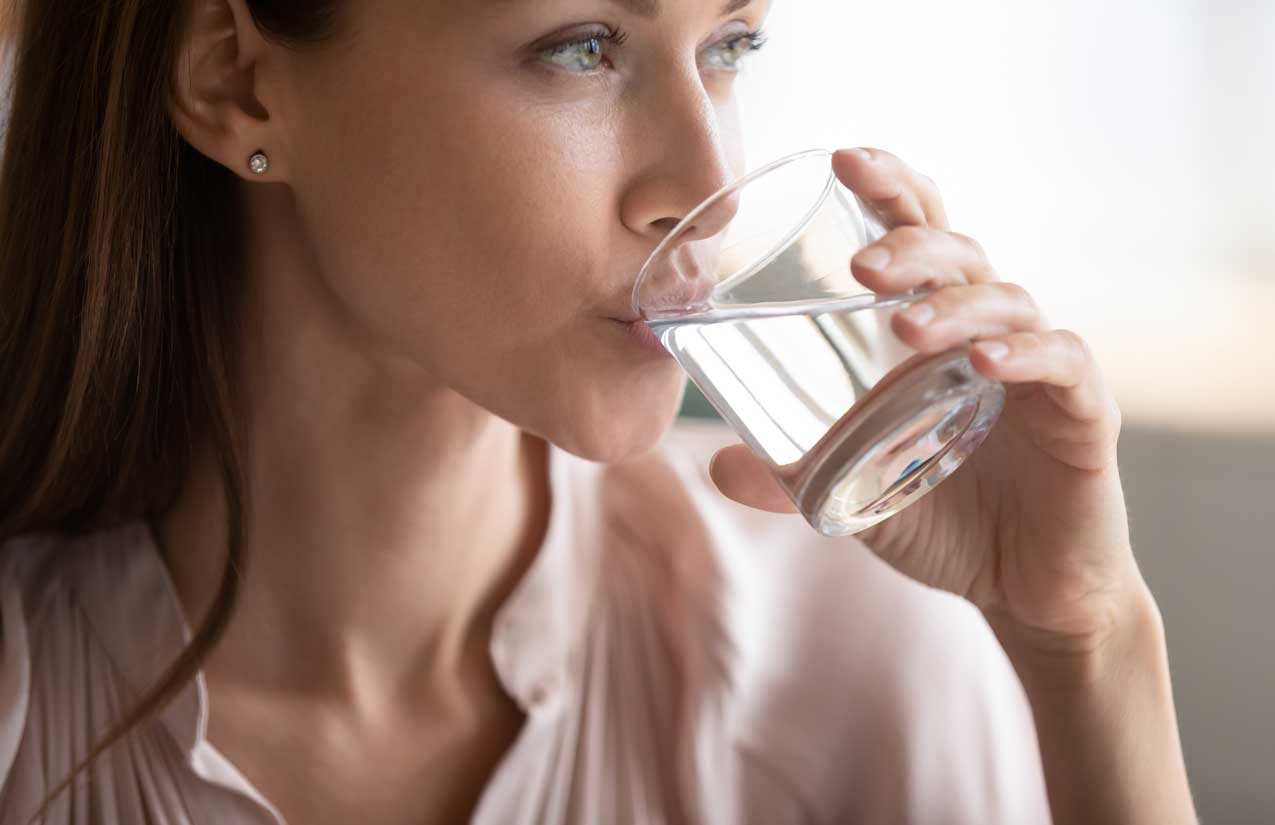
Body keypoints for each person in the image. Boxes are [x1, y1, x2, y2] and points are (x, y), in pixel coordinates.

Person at [0, 0, 1198, 823]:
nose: (707, 187)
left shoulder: (842, 652)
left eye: (729, 45)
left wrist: (1087, 643)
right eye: (583, 47)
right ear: (236, 82)